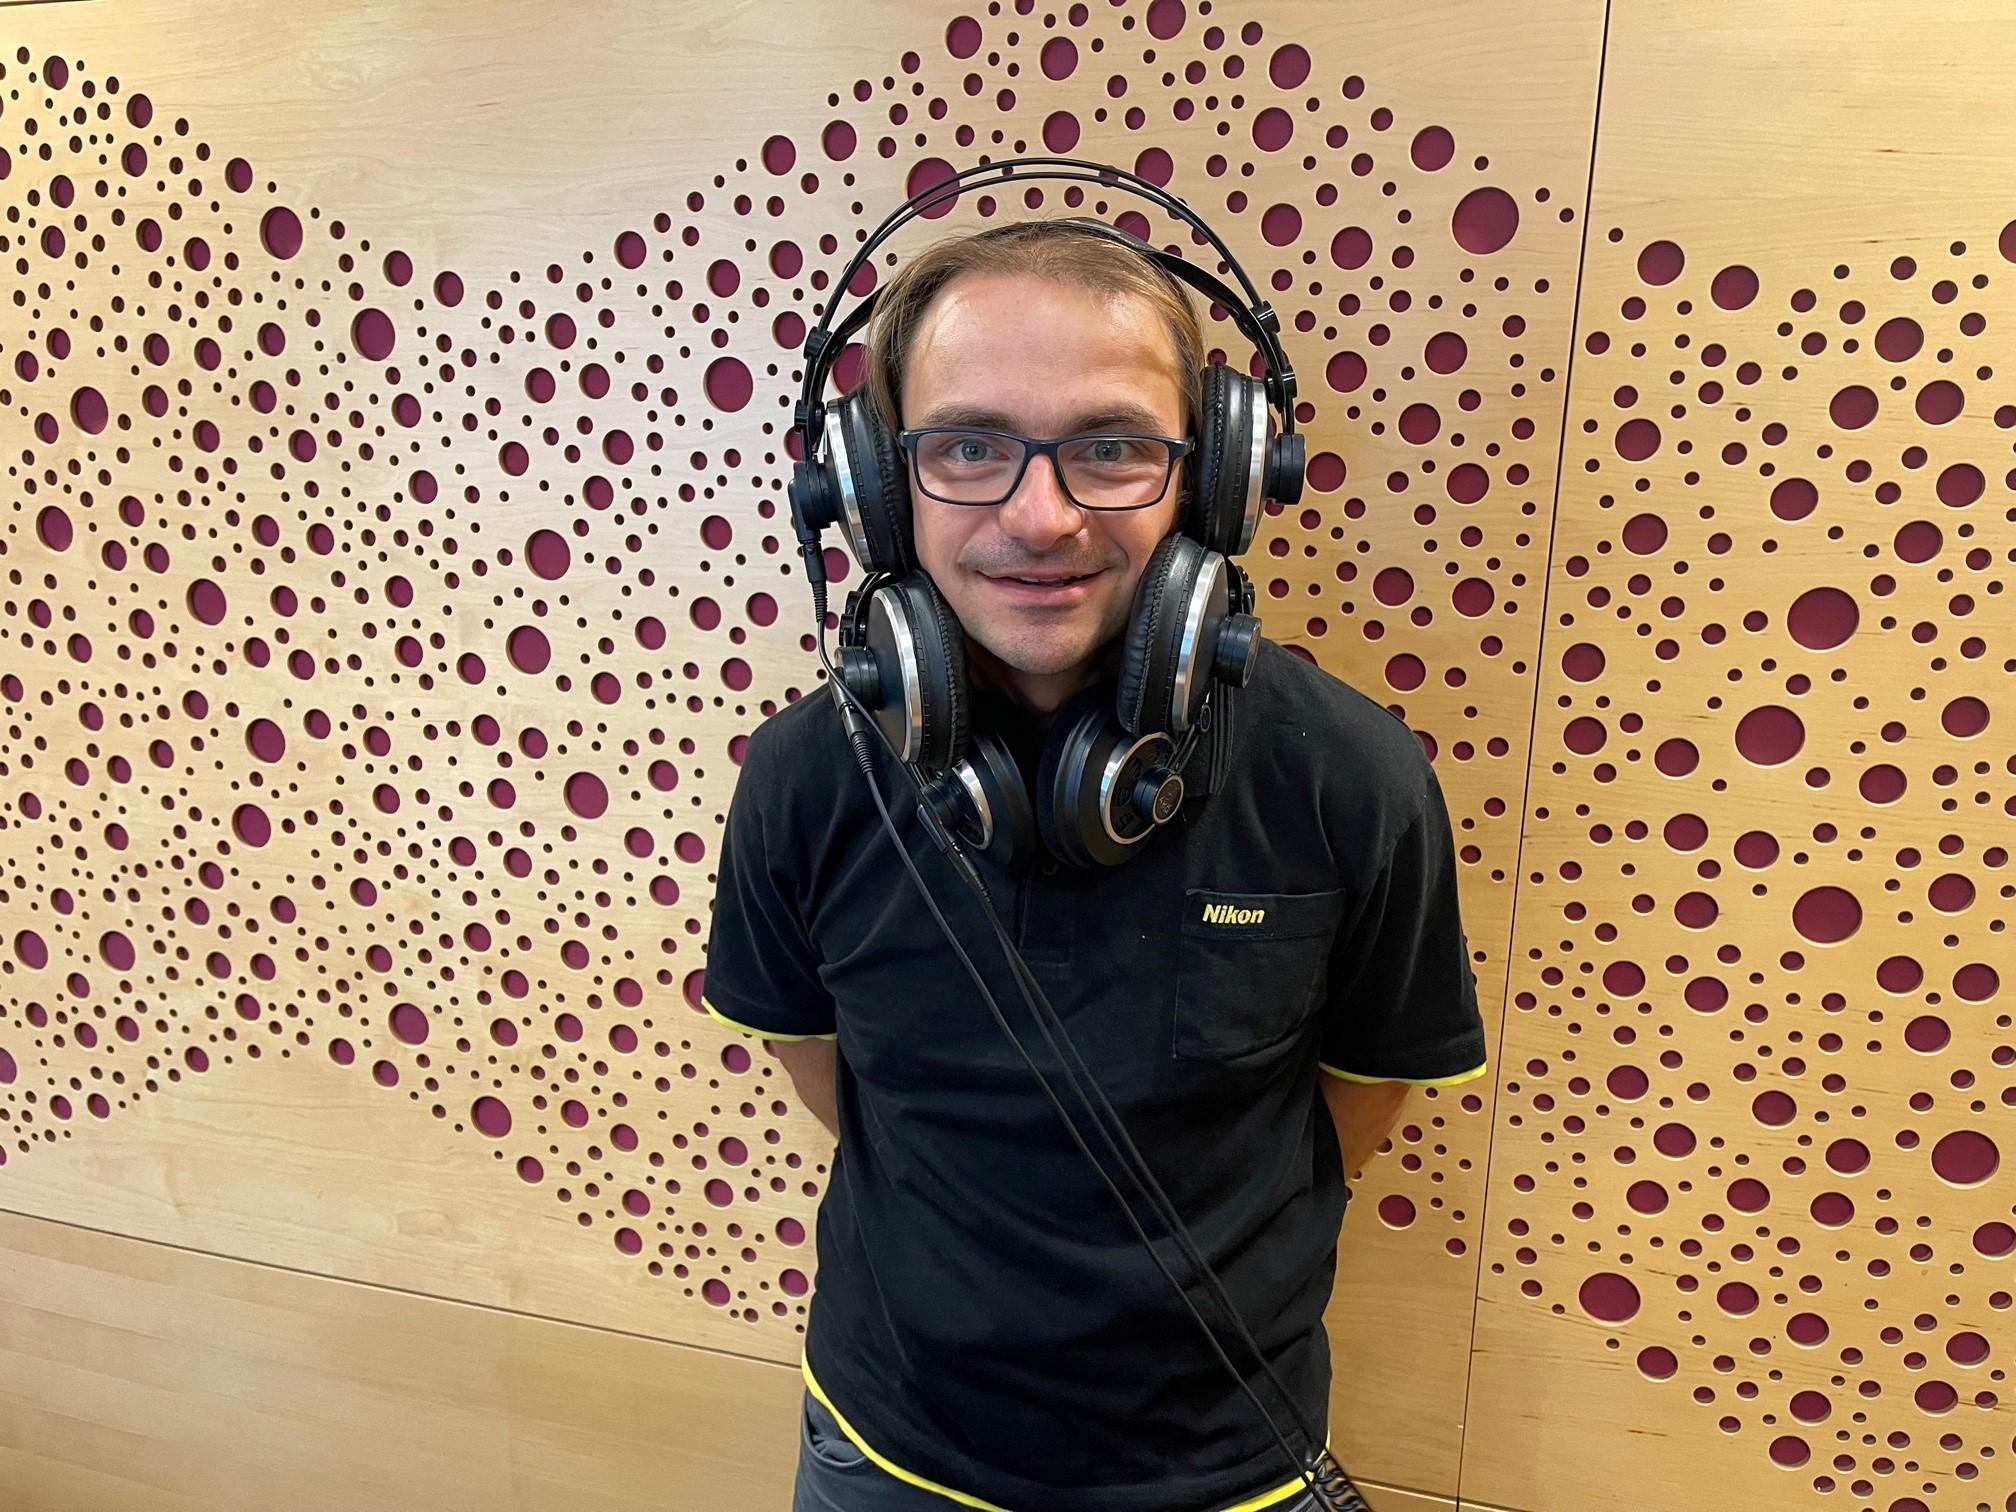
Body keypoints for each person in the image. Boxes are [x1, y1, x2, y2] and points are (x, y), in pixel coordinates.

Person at [702, 218, 1490, 1512]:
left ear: (1218, 476)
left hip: (1228, 1469)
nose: (1041, 516)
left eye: (1112, 447)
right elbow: (821, 1062)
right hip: (886, 1451)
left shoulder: (1352, 779)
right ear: (877, 484)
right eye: (968, 446)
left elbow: (1362, 1095)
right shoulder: (805, 774)